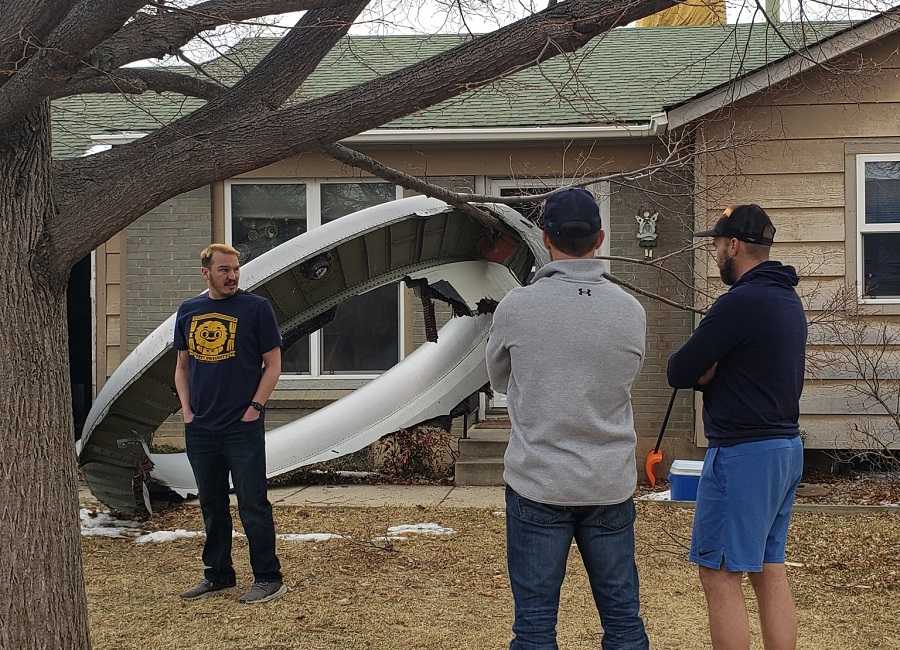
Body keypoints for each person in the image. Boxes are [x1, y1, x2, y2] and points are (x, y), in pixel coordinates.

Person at [486, 188, 650, 650]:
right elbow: (628, 374)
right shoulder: (629, 309)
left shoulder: (517, 306)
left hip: (539, 480)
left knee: (535, 625)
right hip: (608, 482)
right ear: (599, 238)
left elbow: (498, 378)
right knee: (623, 619)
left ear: (545, 238)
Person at [667, 204, 807, 650]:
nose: (714, 255)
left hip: (743, 454)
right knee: (768, 568)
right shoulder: (787, 298)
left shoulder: (739, 303)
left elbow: (680, 369)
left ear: (733, 245)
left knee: (720, 573)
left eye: (715, 245)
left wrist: (709, 370)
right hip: (785, 449)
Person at [174, 243, 286, 604]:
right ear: (205, 272)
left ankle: (268, 577)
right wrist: (188, 412)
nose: (233, 275)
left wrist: (255, 407)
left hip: (242, 426)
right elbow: (182, 368)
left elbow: (273, 365)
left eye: (236, 268)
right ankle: (219, 574)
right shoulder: (189, 311)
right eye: (224, 269)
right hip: (201, 428)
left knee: (253, 504)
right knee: (212, 503)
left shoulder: (256, 309)